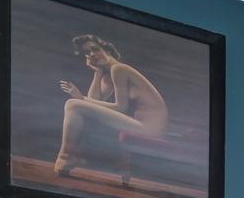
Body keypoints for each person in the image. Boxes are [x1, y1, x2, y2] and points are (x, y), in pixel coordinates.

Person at [53, 34, 169, 177]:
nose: (92, 55)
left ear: (107, 49)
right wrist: (97, 73)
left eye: (95, 49)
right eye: (87, 53)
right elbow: (93, 100)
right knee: (76, 106)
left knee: (72, 105)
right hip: (141, 124)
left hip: (150, 128)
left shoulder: (119, 69)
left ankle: (67, 157)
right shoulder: (109, 74)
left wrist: (81, 98)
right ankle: (72, 156)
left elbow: (121, 108)